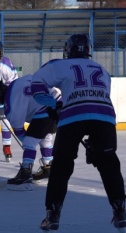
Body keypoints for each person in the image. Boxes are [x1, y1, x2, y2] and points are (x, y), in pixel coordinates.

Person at [30, 34, 126, 231]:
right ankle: (120, 208)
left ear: (68, 50)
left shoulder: (59, 65)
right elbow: (98, 97)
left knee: (62, 165)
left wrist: (53, 106)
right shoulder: (101, 69)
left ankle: (53, 214)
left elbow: (37, 85)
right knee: (108, 162)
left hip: (73, 116)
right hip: (104, 116)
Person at [0, 76, 60, 191]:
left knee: (30, 142)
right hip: (58, 105)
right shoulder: (15, 84)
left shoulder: (11, 100)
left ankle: (26, 173)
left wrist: (27, 147)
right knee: (45, 138)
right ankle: (48, 167)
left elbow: (18, 128)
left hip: (45, 110)